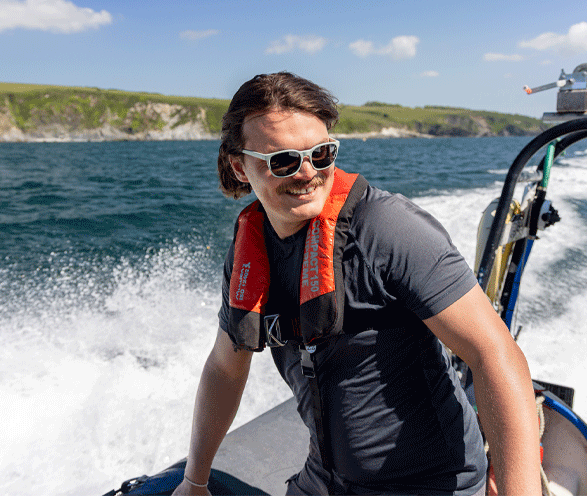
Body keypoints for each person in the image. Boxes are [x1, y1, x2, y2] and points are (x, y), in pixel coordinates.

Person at [172, 72, 541, 496]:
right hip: (325, 481)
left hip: (430, 486)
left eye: (321, 154)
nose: (308, 173)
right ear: (240, 166)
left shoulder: (387, 229)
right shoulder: (248, 255)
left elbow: (494, 353)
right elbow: (224, 366)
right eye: (284, 161)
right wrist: (194, 481)